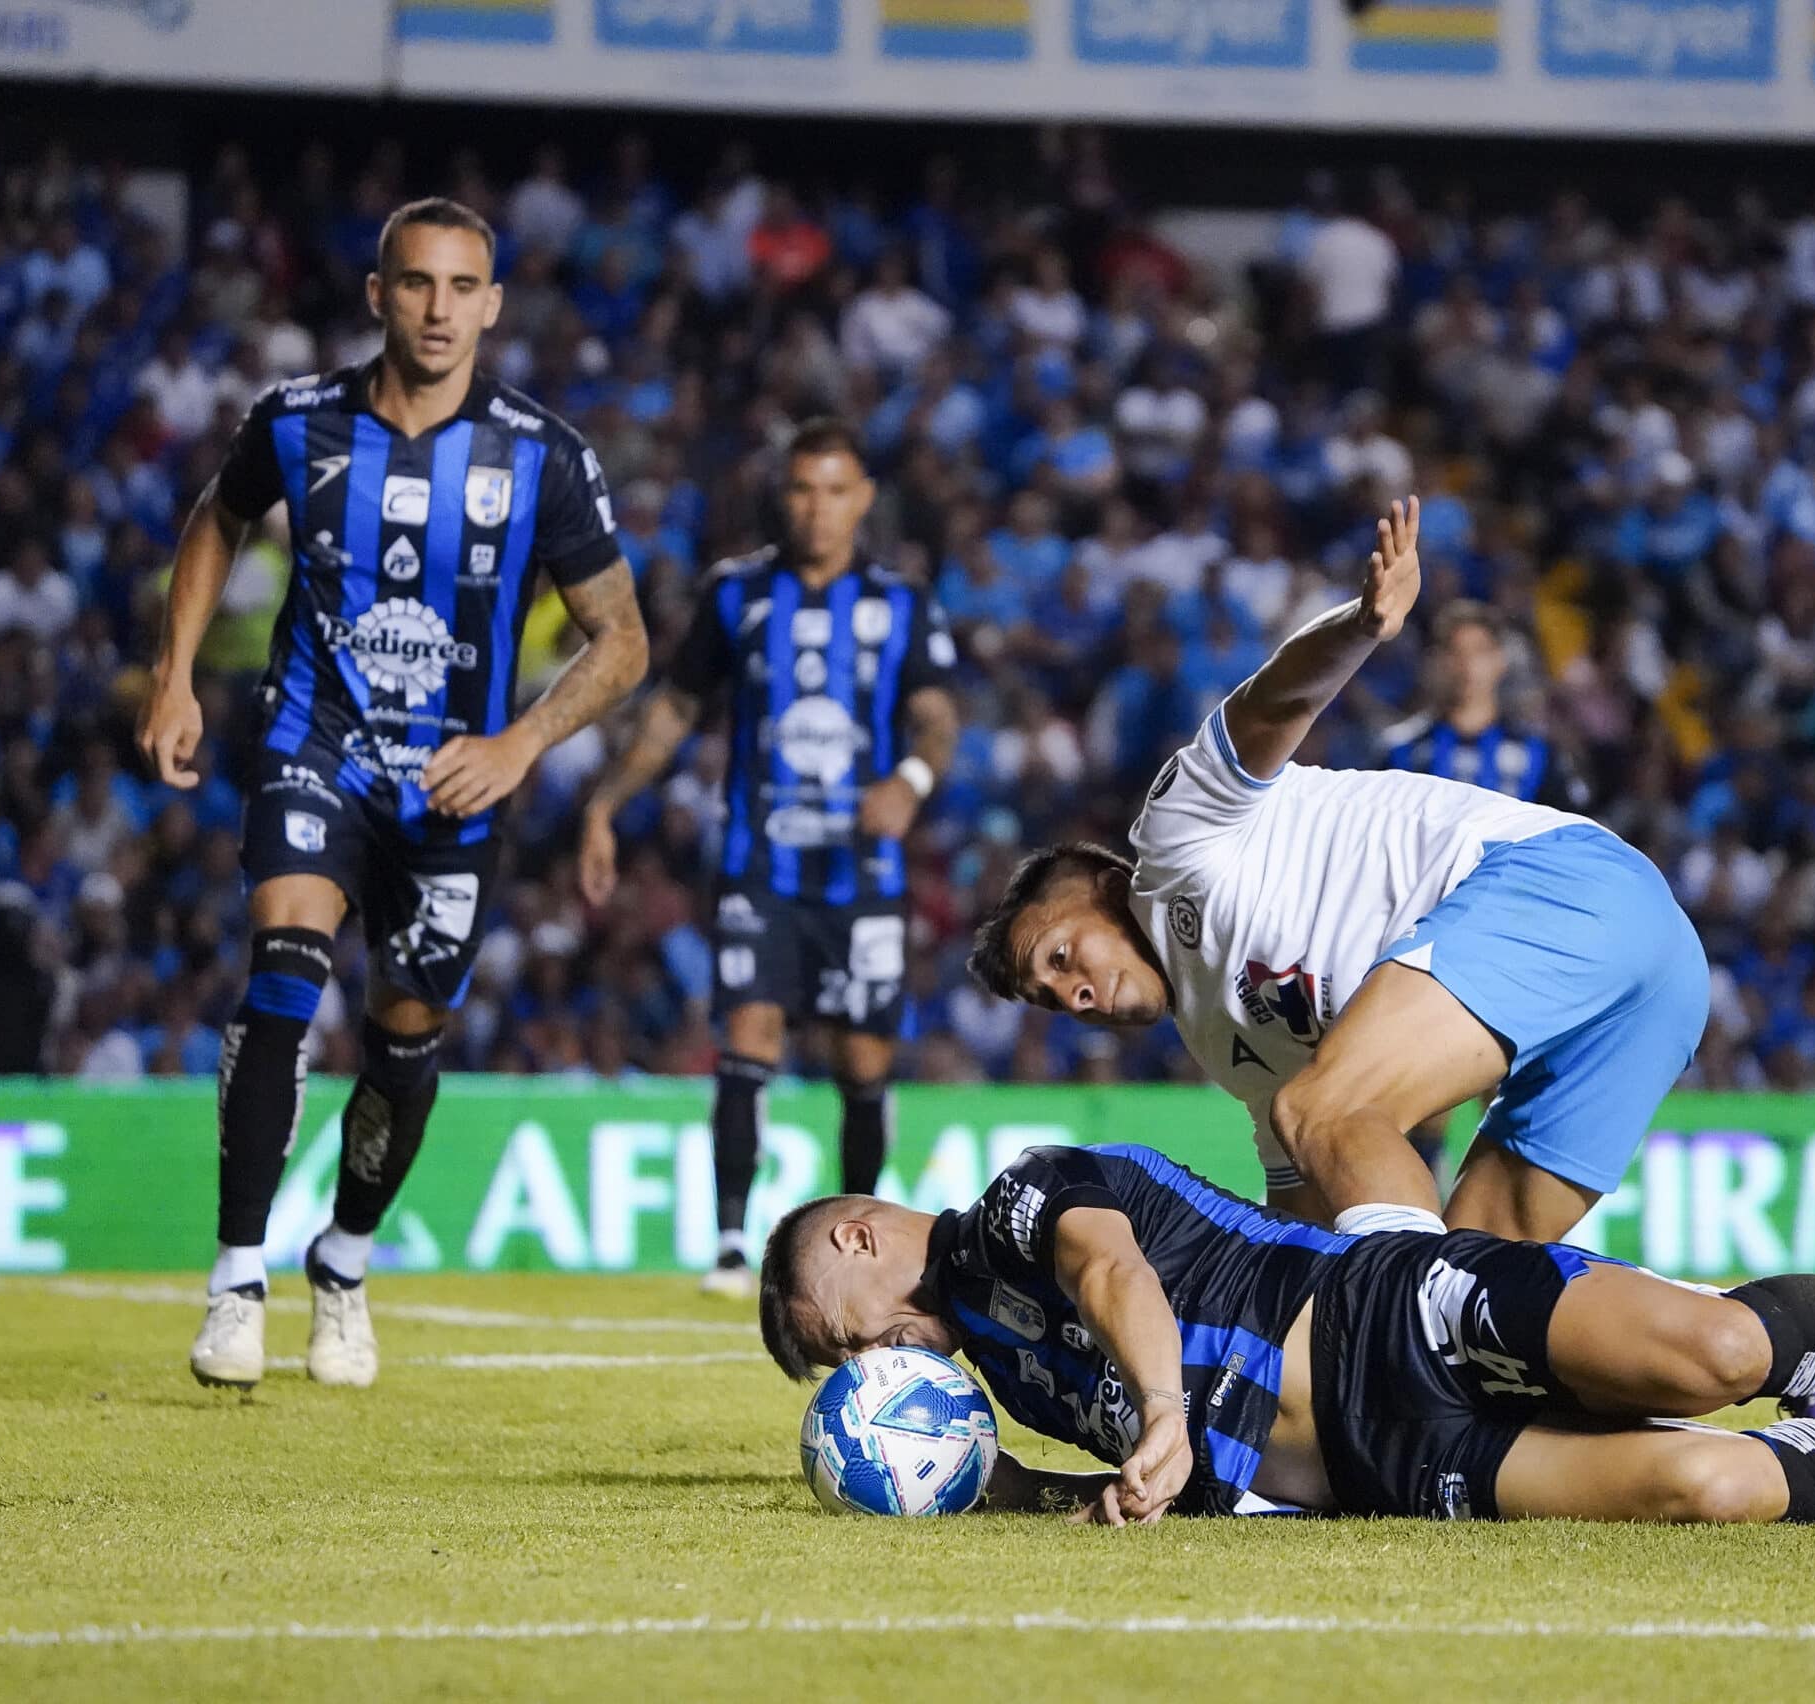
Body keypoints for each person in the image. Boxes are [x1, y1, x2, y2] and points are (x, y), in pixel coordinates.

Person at [139, 198, 647, 1391]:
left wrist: (521, 743)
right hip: (315, 748)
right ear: (379, 295)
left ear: (492, 304)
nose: (436, 308)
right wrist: (175, 678)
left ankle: (344, 1261)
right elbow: (217, 520)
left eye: (460, 287)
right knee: (283, 974)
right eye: (414, 284)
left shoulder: (542, 454)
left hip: (459, 792)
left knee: (405, 1039)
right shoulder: (299, 423)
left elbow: (621, 639)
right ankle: (233, 1280)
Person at [969, 500, 1705, 1247]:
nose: (1075, 994)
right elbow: (1306, 1222)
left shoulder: (1173, 843)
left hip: (1561, 882)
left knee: (1327, 1115)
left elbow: (1268, 706)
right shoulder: (1220, 1044)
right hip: (1660, 973)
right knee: (1485, 1284)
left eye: (1061, 958)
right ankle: (1788, 1346)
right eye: (1052, 1000)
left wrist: (1359, 626)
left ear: (1102, 884)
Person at [758, 1143, 1815, 1525]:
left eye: (845, 1332)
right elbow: (1147, 1470)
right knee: (1719, 1484)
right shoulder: (992, 1382)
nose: (868, 1360)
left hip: (1390, 1315)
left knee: (1727, 1361)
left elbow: (1120, 1272)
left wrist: (1165, 1407)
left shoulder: (1008, 1207)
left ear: (870, 1243)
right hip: (1389, 1465)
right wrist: (1036, 1493)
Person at [579, 418, 957, 1298]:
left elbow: (939, 718)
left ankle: (860, 1232)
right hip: (761, 867)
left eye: (835, 490)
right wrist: (606, 801)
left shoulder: (903, 604)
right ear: (780, 496)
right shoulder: (734, 595)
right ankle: (727, 1243)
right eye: (801, 489)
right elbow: (674, 709)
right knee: (747, 1036)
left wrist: (908, 780)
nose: (817, 509)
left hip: (862, 877)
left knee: (863, 1067)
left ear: (863, 499)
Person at [1378, 600, 1590, 1176]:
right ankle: (1416, 1240)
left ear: (1500, 662)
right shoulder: (1398, 752)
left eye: (1479, 652)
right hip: (1423, 947)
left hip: (1514, 947)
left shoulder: (1541, 755)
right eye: (1454, 652)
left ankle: (1509, 1241)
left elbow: (1574, 852)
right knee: (1424, 1103)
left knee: (1511, 1098)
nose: (1466, 666)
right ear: (1436, 663)